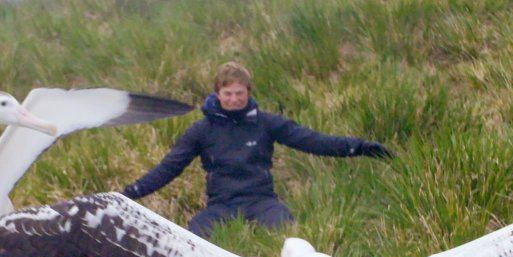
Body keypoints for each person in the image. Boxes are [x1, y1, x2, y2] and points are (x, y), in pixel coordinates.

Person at [121, 62, 393, 238]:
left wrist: (359, 147)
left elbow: (312, 140)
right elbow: (168, 168)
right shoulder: (201, 130)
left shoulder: (266, 123)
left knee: (289, 235)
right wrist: (128, 194)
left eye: (239, 93)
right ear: (217, 94)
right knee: (194, 239)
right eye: (228, 94)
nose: (234, 99)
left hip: (262, 201)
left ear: (248, 92)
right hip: (222, 205)